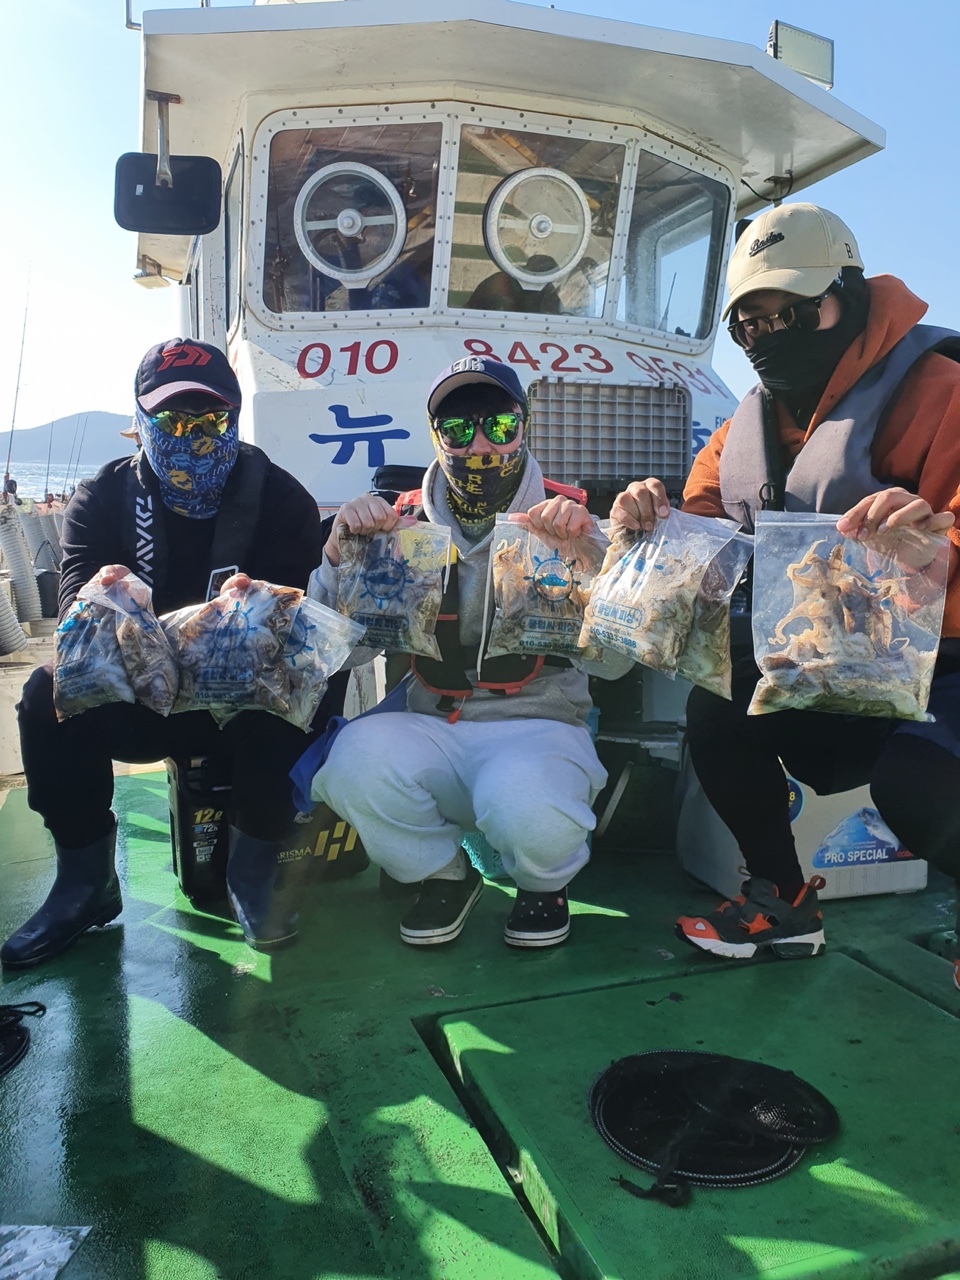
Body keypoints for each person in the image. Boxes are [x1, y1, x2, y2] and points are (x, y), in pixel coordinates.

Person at [611, 203, 960, 989]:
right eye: (749, 325)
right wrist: (648, 525)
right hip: (828, 663)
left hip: (947, 660)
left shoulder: (945, 390)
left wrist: (935, 552)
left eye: (791, 314)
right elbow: (701, 526)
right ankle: (783, 901)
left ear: (848, 294)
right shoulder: (746, 426)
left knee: (921, 782)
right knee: (717, 707)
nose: (768, 337)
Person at [1, 337, 342, 969]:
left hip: (240, 708)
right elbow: (73, 610)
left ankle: (252, 871)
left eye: (210, 420)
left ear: (234, 419)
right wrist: (102, 599)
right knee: (45, 695)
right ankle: (85, 883)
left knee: (312, 676)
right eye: (171, 420)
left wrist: (260, 610)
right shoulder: (101, 499)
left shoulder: (282, 498)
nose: (191, 436)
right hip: (141, 702)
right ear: (140, 422)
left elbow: (297, 626)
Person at [308, 356, 631, 948]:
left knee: (529, 807)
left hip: (539, 726)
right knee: (352, 762)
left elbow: (614, 665)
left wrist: (595, 560)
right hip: (433, 723)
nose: (480, 445)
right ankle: (444, 875)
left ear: (524, 427)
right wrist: (337, 560)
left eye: (499, 426)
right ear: (437, 439)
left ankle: (544, 885)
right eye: (457, 430)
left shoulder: (572, 525)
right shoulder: (397, 528)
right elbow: (334, 656)